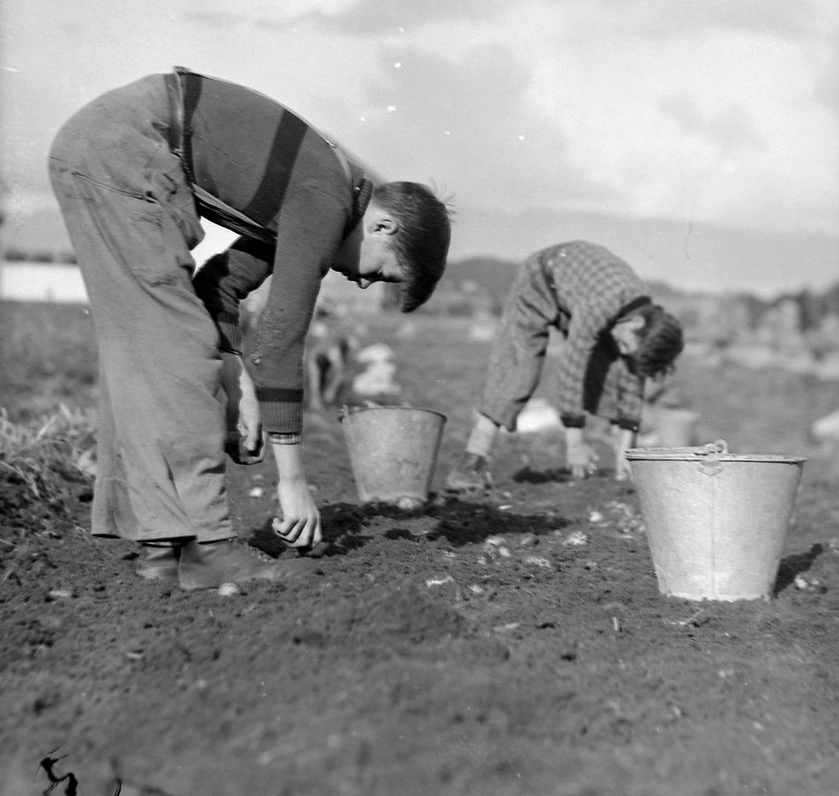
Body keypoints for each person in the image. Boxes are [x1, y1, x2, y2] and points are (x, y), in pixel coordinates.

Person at [48, 67, 451, 590]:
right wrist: (293, 482)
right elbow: (282, 340)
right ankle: (208, 547)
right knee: (180, 351)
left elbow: (221, 284)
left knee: (145, 351)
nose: (359, 279)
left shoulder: (321, 191)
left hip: (104, 144)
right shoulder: (326, 198)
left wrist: (238, 373)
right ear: (383, 225)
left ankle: (165, 548)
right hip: (127, 149)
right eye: (377, 272)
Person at [445, 240, 683, 494]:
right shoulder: (603, 303)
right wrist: (574, 440)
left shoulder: (636, 314)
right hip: (541, 280)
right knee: (519, 371)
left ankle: (622, 463)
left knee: (617, 369)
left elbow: (632, 376)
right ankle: (471, 461)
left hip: (574, 294)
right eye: (627, 344)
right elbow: (573, 364)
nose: (624, 349)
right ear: (636, 323)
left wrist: (629, 449)